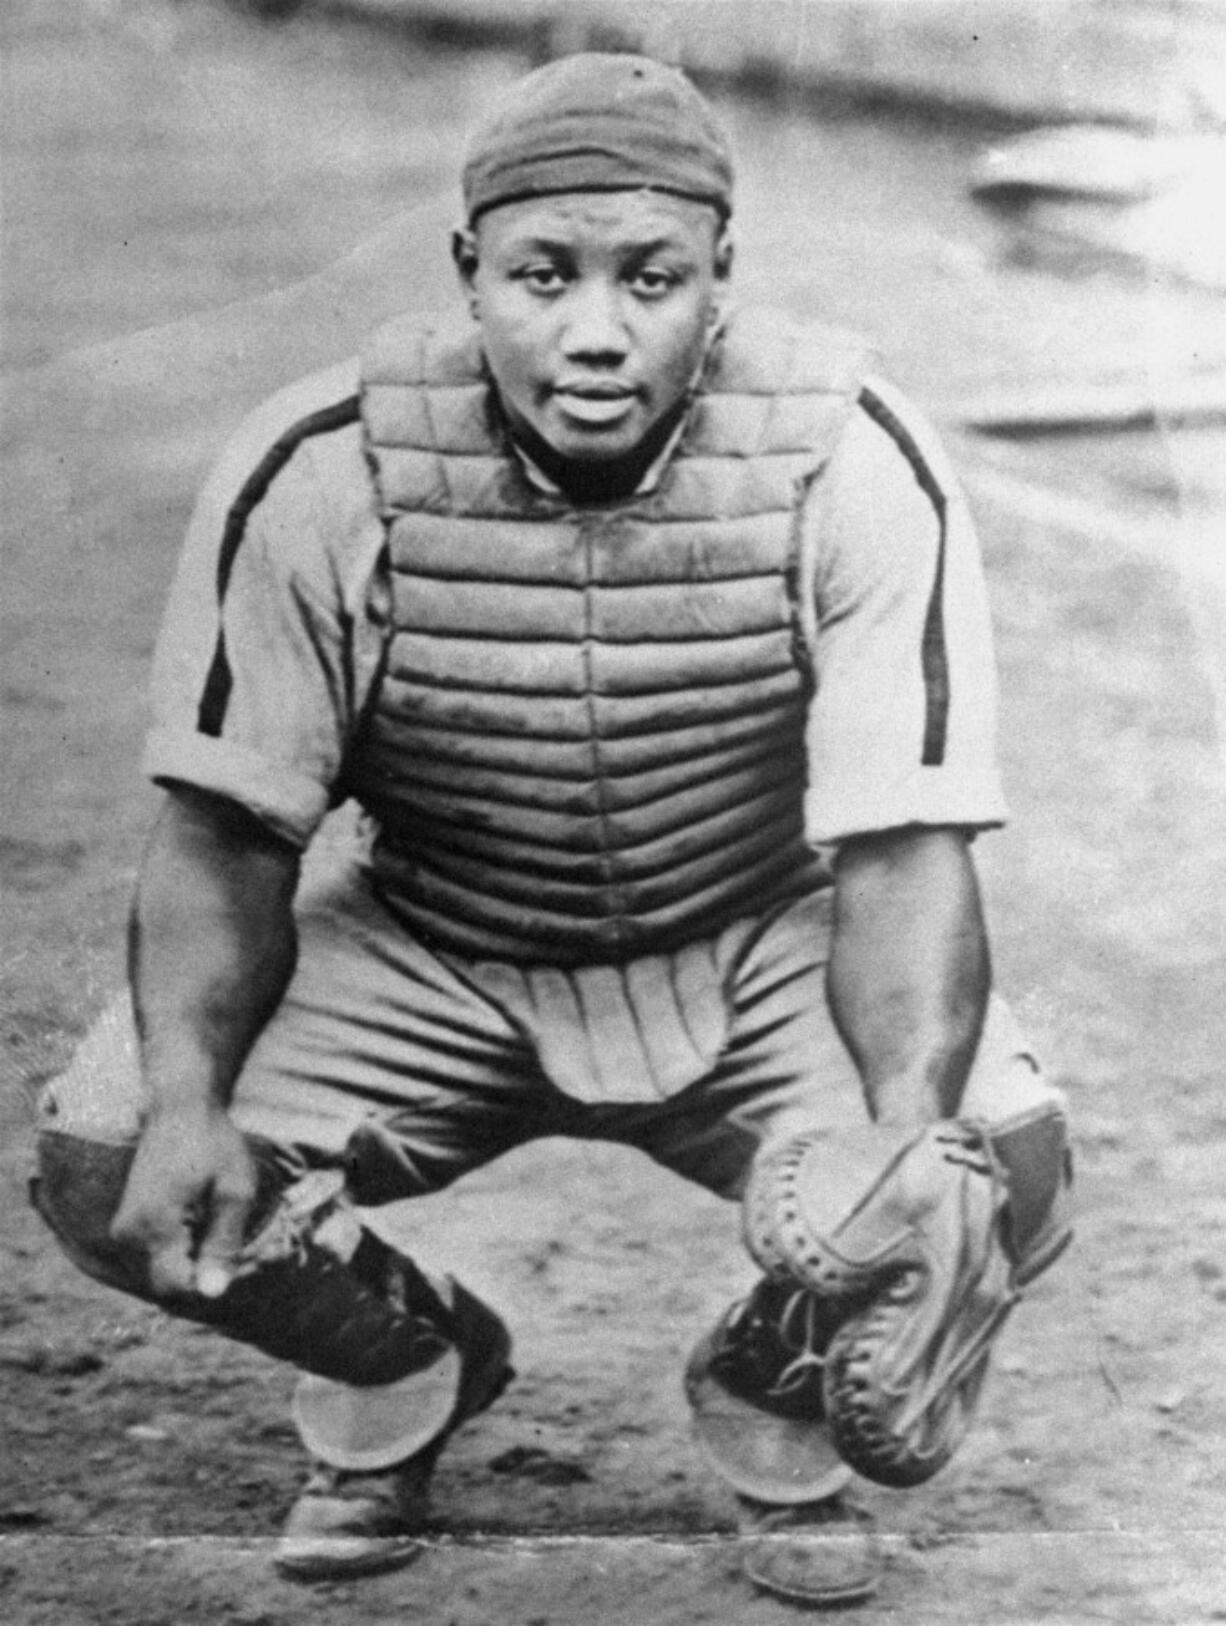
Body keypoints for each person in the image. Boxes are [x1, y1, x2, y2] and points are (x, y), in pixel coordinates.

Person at [31, 53, 1071, 1608]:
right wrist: (192, 1093)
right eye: (542, 274)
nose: (595, 328)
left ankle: (771, 1395)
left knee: (1000, 1163)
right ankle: (402, 1363)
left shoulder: (851, 453)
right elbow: (227, 832)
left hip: (747, 937)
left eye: (650, 276)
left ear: (720, 274)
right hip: (437, 939)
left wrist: (900, 1133)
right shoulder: (323, 465)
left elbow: (902, 846)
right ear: (468, 274)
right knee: (111, 1151)